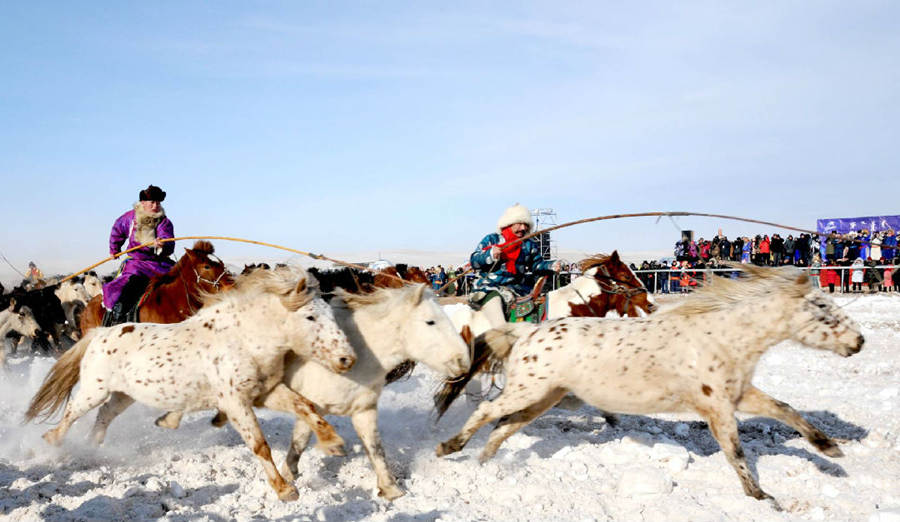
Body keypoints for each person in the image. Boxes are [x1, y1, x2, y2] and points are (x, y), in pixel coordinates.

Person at [469, 203, 560, 326]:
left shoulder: (528, 244)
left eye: (526, 225)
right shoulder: (492, 239)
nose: (523, 228)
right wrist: (490, 254)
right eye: (519, 223)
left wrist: (551, 266)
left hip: (518, 290)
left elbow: (537, 265)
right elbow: (474, 261)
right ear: (509, 223)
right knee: (500, 323)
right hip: (490, 288)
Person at [101, 185, 176, 325]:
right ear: (143, 202)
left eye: (158, 203)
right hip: (137, 263)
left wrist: (162, 246)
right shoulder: (129, 218)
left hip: (159, 263)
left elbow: (168, 241)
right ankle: (117, 319)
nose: (155, 206)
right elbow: (117, 230)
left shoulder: (164, 221)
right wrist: (114, 248)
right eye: (152, 202)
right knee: (130, 286)